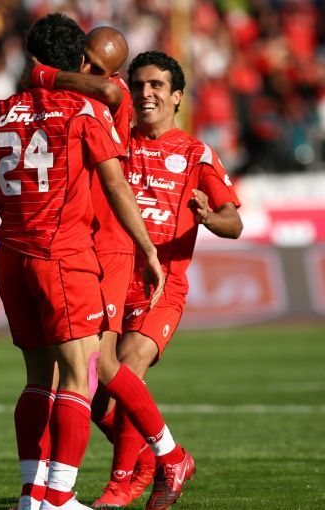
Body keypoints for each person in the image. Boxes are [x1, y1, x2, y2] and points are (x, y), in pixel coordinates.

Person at [0, 14, 164, 510]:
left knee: (38, 379)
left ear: (32, 57)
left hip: (11, 256)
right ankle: (59, 497)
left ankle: (31, 496)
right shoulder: (83, 110)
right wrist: (147, 248)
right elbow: (115, 185)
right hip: (61, 255)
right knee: (80, 374)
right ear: (77, 61)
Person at [27, 29, 198, 510]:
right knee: (78, 380)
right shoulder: (81, 101)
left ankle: (167, 456)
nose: (84, 71)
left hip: (111, 246)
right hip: (83, 242)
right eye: (83, 61)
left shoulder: (112, 92)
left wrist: (42, 75)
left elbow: (102, 88)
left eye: (94, 67)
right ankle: (53, 488)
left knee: (101, 365)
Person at [109, 51, 243, 509]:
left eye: (157, 85)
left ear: (178, 95)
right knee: (96, 396)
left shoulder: (195, 153)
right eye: (138, 85)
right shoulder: (115, 143)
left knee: (127, 366)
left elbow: (233, 223)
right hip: (110, 281)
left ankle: (121, 483)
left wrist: (208, 217)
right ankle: (159, 457)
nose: (146, 93)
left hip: (161, 288)